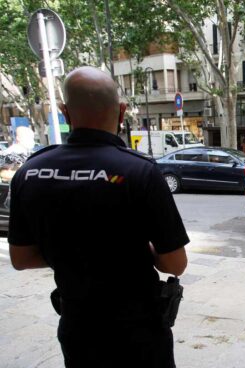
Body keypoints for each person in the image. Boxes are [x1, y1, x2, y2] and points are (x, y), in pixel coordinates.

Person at [8, 66, 189, 368]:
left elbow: (21, 258)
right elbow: (175, 263)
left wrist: (68, 253)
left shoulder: (30, 173)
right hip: (138, 332)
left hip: (78, 327)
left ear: (65, 112)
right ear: (121, 112)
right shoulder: (140, 172)